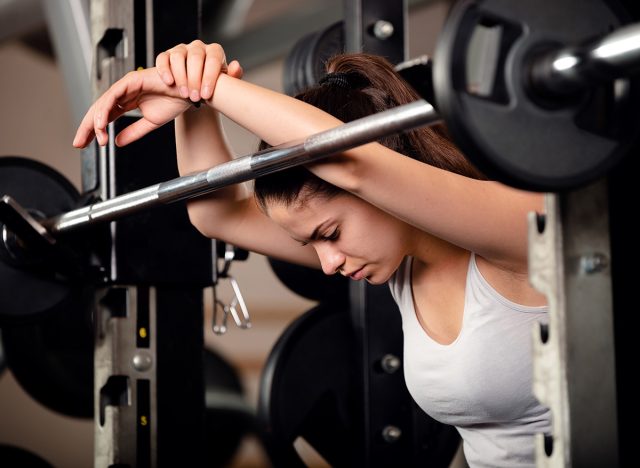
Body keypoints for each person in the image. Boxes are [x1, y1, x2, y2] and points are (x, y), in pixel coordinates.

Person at [73, 41, 551, 467]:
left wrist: (211, 83)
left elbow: (350, 162)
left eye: (330, 231)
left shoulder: (517, 234)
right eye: (314, 243)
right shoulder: (404, 268)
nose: (329, 263)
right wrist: (191, 101)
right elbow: (216, 217)